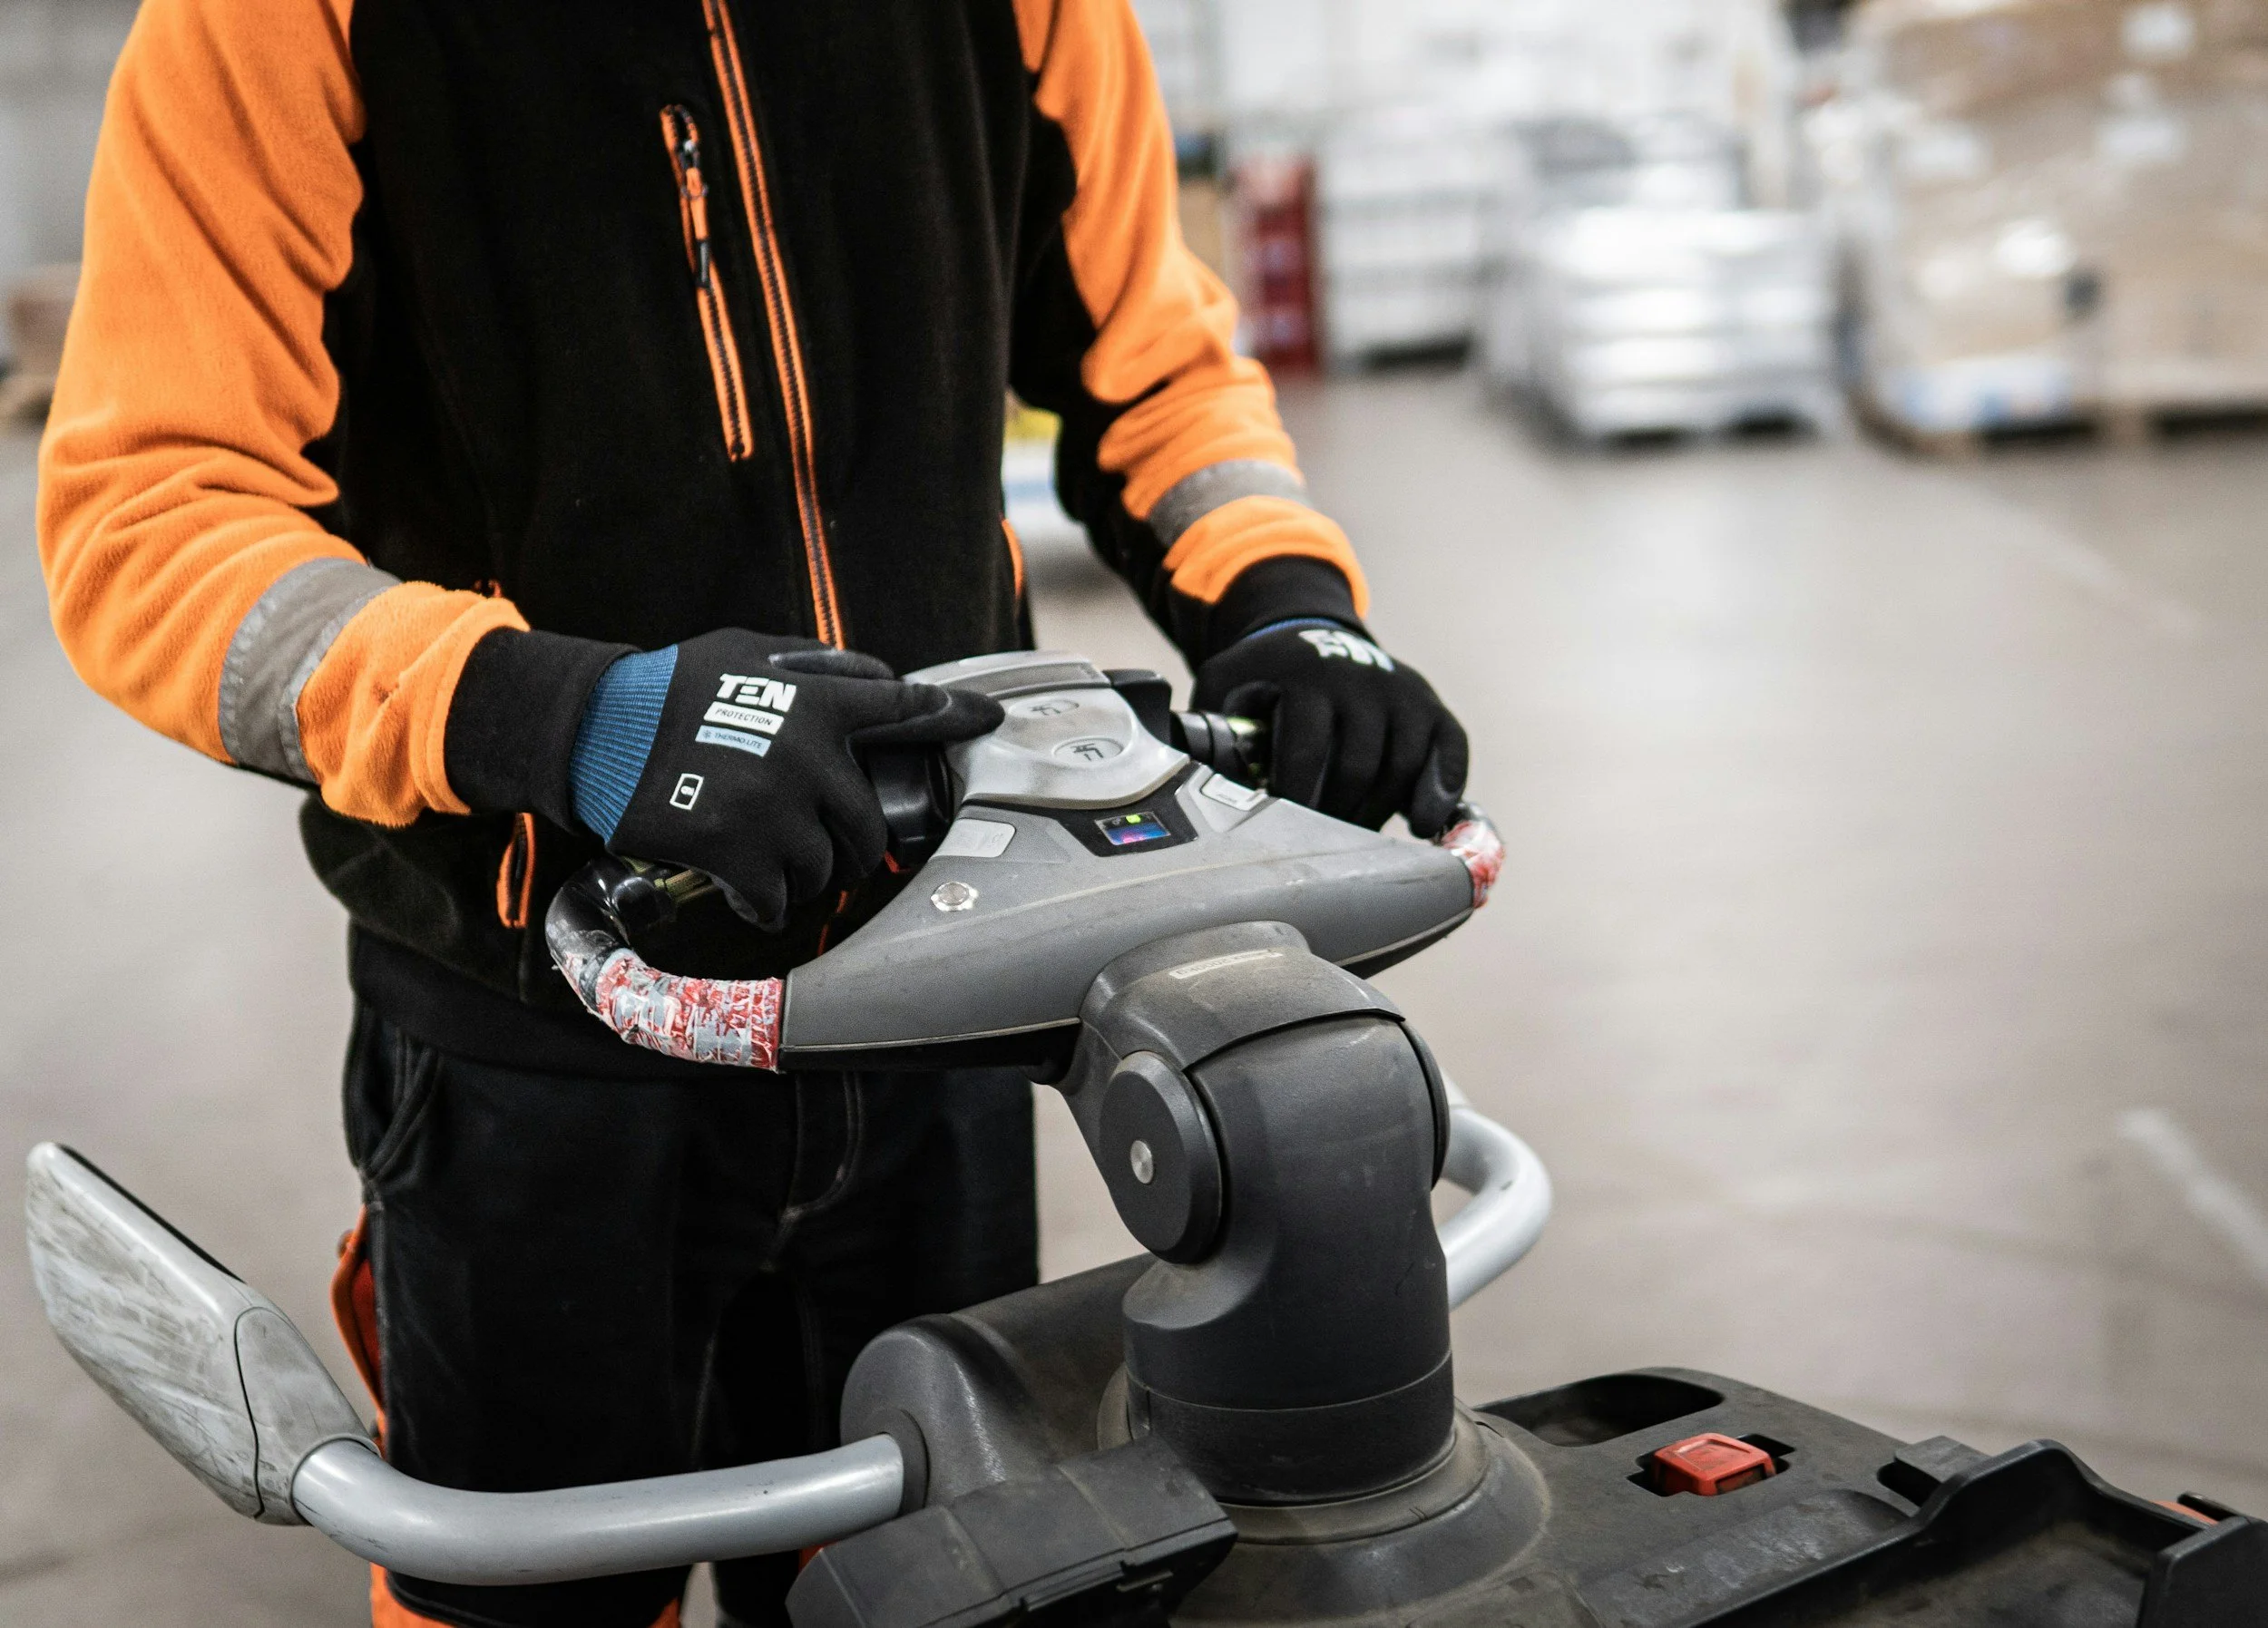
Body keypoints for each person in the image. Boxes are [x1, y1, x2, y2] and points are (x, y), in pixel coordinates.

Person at [37, 1, 1471, 1623]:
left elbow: (1151, 356)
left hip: (955, 992)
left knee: (949, 1579)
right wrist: (558, 713)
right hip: (545, 1047)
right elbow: (147, 511)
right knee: (546, 1599)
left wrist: (1284, 605)